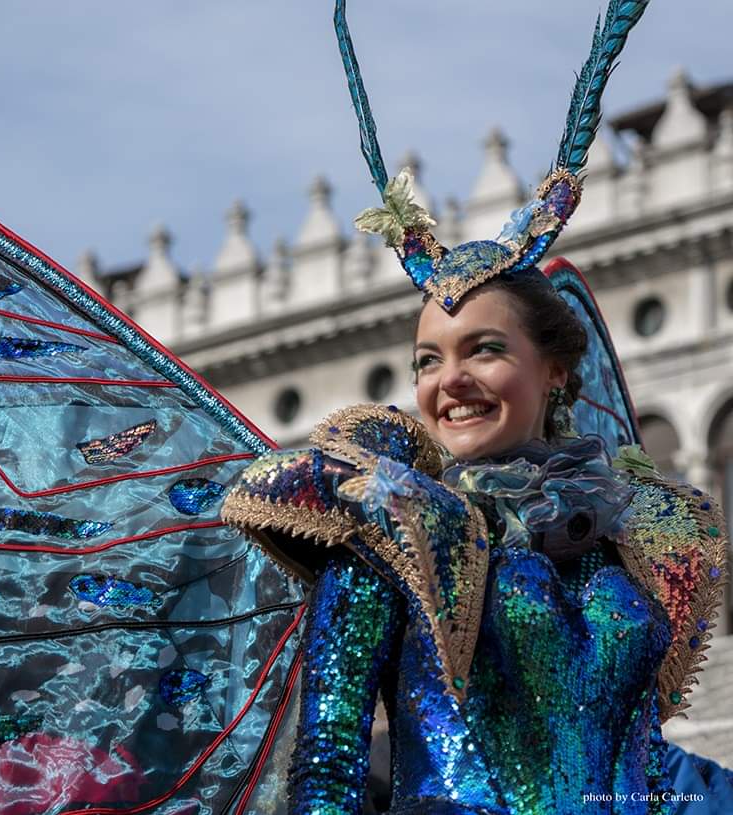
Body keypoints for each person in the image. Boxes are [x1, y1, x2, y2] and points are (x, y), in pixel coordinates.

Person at [220, 1, 733, 812]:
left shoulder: (633, 538)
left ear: (557, 371)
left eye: (483, 350)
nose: (447, 381)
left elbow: (646, 766)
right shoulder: (392, 522)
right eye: (429, 360)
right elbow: (326, 768)